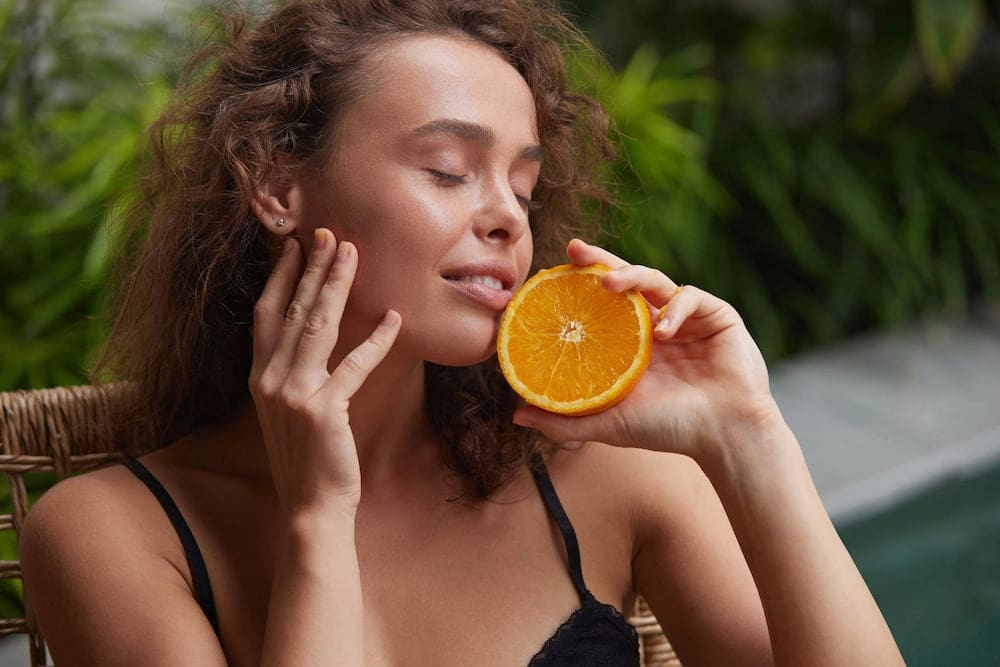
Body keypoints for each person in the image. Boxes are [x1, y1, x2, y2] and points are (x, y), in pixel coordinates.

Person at [19, 0, 904, 664]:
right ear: (277, 183)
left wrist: (748, 436)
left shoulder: (607, 476)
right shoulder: (109, 533)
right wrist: (319, 518)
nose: (509, 220)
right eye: (448, 170)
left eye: (521, 186)